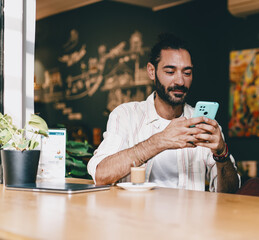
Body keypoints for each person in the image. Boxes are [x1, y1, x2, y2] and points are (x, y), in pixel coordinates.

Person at [87, 33, 240, 193]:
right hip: (135, 216)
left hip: (190, 217)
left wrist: (222, 154)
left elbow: (230, 194)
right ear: (151, 71)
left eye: (187, 73)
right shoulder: (125, 115)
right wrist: (159, 141)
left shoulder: (204, 123)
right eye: (170, 72)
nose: (180, 81)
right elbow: (101, 176)